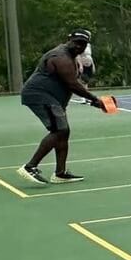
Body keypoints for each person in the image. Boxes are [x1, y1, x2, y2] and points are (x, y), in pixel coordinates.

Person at [18, 28, 106, 184]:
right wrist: (95, 100)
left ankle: (60, 173)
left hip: (52, 98)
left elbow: (73, 81)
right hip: (39, 94)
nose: (79, 46)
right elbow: (72, 84)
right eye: (77, 42)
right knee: (60, 130)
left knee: (63, 132)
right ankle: (30, 167)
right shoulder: (61, 57)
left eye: (83, 44)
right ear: (69, 40)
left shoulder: (72, 57)